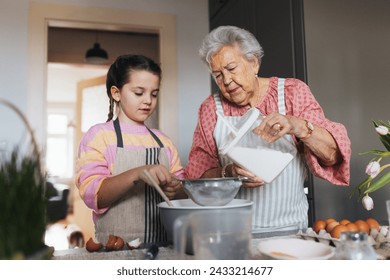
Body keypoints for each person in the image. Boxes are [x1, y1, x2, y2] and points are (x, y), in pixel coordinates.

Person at [185, 25, 351, 237]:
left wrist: (296, 125)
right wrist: (230, 173)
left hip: (291, 231)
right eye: (218, 75)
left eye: (232, 68)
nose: (226, 81)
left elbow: (332, 154)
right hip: (230, 233)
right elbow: (197, 178)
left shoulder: (292, 93)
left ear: (254, 63)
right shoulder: (211, 108)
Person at [76, 54, 184, 246]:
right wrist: (139, 173)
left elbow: (183, 192)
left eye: (154, 93)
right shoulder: (99, 136)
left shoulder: (164, 142)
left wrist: (175, 188)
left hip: (162, 248)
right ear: (116, 93)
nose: (148, 101)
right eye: (139, 92)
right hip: (113, 251)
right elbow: (95, 197)